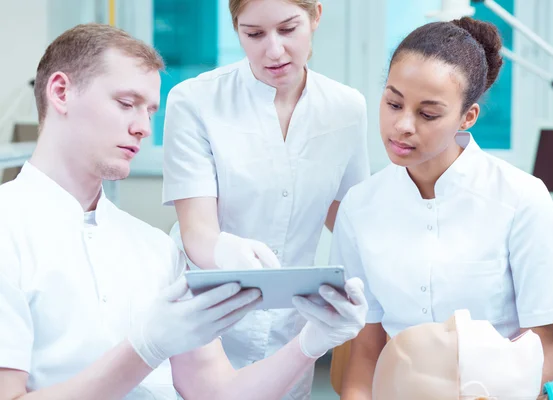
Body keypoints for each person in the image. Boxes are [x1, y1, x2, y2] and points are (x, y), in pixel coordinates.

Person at [0, 23, 368, 400]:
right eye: (127, 104)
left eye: (149, 111)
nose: (143, 127)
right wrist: (146, 348)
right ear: (61, 92)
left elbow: (220, 394)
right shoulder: (7, 230)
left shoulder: (155, 250)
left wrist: (310, 343)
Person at [331, 17, 553, 398]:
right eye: (393, 102)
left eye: (428, 113)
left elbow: (546, 347)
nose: (402, 124)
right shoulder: (359, 207)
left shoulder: (520, 198)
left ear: (467, 117)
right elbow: (365, 352)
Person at [162, 0, 370, 398]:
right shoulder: (195, 101)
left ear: (316, 17)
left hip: (291, 331)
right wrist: (226, 250)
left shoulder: (346, 108)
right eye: (253, 34)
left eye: (288, 29)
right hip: (207, 326)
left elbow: (345, 216)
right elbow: (197, 231)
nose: (272, 50)